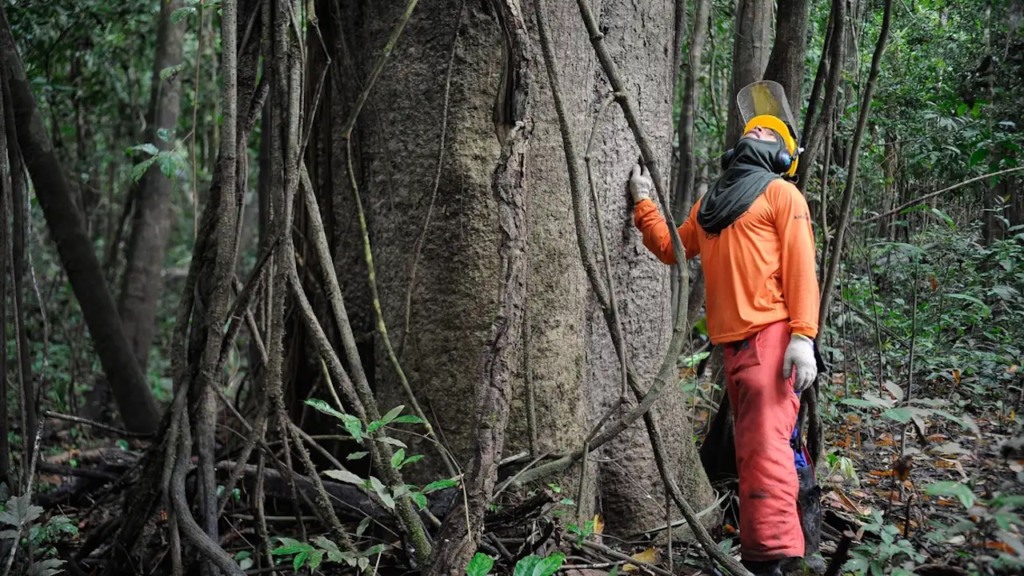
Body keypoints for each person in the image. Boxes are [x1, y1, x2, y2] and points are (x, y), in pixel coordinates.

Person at [629, 81, 822, 575]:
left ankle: (772, 560)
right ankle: (776, 548)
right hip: (734, 349)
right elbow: (673, 247)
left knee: (764, 450)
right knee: (757, 447)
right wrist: (642, 202)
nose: (756, 138)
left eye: (765, 134)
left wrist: (802, 338)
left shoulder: (782, 196)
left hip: (772, 340)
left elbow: (802, 268)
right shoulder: (712, 206)